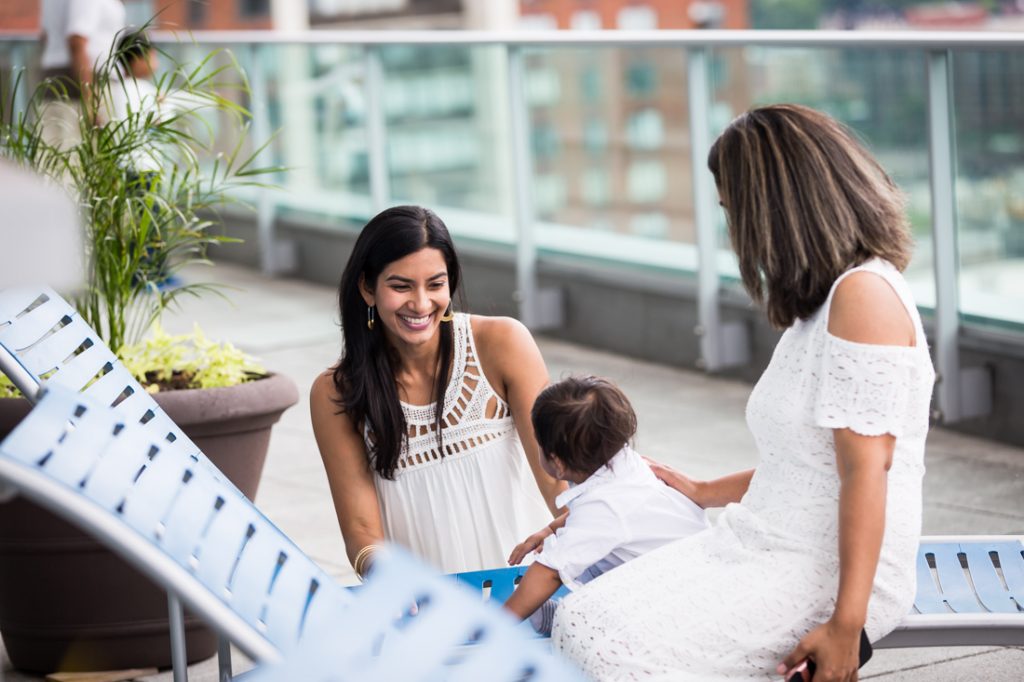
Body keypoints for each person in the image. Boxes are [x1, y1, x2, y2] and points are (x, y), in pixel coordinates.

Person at [550, 104, 935, 681]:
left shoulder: (865, 299)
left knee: (615, 653)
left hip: (826, 569)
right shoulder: (824, 305)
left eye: (734, 212)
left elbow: (867, 473)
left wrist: (845, 626)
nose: (733, 232)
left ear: (775, 210)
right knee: (579, 619)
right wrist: (703, 490)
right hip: (762, 539)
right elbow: (808, 465)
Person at [310, 205, 566, 578]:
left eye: (435, 284)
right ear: (367, 288)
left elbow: (557, 480)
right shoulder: (335, 393)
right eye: (400, 286)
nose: (421, 304)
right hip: (428, 609)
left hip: (526, 591)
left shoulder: (503, 343)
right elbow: (362, 532)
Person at [503, 375, 708, 635]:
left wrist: (496, 624)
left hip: (673, 604)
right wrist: (549, 530)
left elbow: (549, 572)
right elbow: (595, 512)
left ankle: (570, 623)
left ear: (557, 462)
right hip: (692, 569)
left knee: (586, 595)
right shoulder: (624, 462)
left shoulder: (604, 508)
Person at [38, 0, 126, 146]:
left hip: (62, 81)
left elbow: (46, 37)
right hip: (85, 86)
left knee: (57, 159)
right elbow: (77, 41)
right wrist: (90, 102)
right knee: (80, 160)